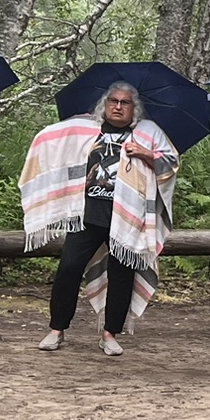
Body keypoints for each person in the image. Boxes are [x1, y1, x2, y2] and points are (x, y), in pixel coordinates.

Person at [22, 82, 180, 356]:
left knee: (122, 275)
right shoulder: (85, 128)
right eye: (113, 101)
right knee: (69, 268)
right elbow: (51, 141)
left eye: (125, 102)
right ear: (104, 104)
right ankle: (57, 328)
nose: (118, 107)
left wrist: (146, 154)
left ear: (134, 108)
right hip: (87, 214)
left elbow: (172, 163)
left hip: (127, 217)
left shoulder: (148, 132)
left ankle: (110, 334)